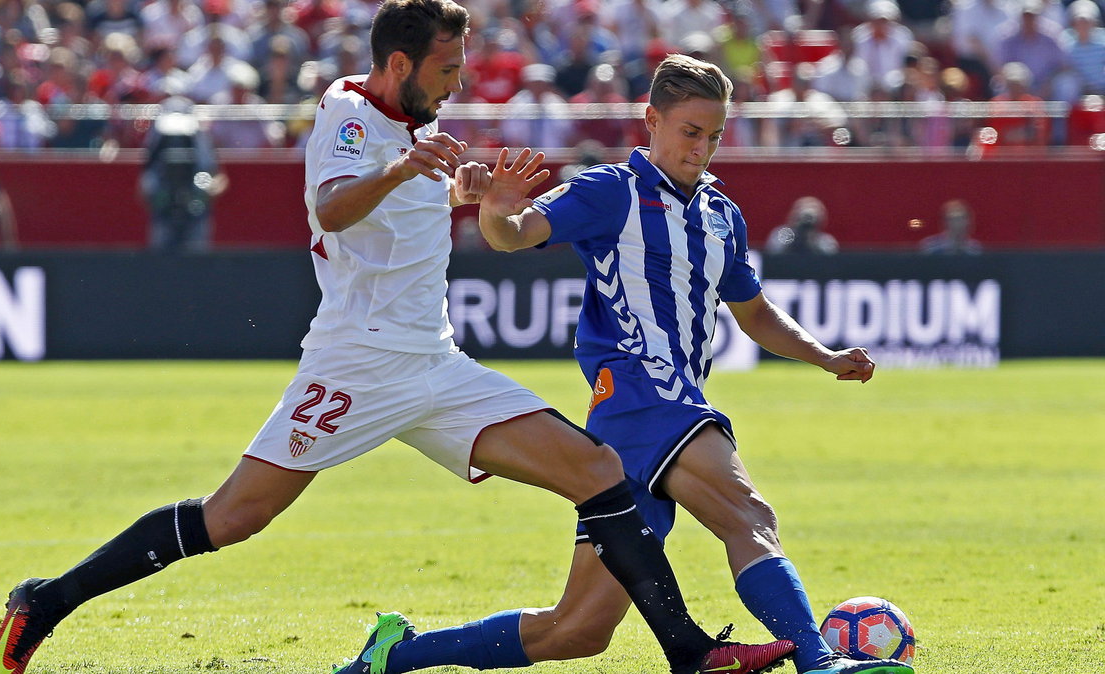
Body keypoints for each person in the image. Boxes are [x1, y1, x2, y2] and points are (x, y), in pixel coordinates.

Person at [0, 4, 791, 674]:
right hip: (356, 362)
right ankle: (45, 602)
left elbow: (400, 220)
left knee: (599, 470)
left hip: (434, 364)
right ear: (400, 65)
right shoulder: (346, 114)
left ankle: (687, 652)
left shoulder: (420, 130)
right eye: (447, 69)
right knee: (233, 518)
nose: (460, 80)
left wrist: (471, 196)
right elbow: (333, 210)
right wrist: (409, 172)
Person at [335, 54, 915, 674]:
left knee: (578, 629)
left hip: (639, 421)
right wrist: (498, 209)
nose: (702, 149)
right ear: (652, 121)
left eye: (714, 135)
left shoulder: (723, 215)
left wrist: (824, 356)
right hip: (646, 394)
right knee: (748, 514)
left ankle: (397, 654)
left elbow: (755, 313)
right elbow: (515, 234)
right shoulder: (611, 190)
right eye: (690, 132)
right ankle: (821, 662)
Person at [140, 95, 227, 251]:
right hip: (163, 219)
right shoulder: (155, 143)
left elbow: (217, 177)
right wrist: (158, 199)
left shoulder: (201, 140)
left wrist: (203, 195)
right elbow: (144, 186)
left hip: (196, 218)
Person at [766, 196, 840, 254]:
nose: (807, 218)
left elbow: (831, 258)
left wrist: (811, 239)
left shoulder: (826, 240)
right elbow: (773, 252)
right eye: (802, 209)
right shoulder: (781, 234)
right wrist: (797, 234)